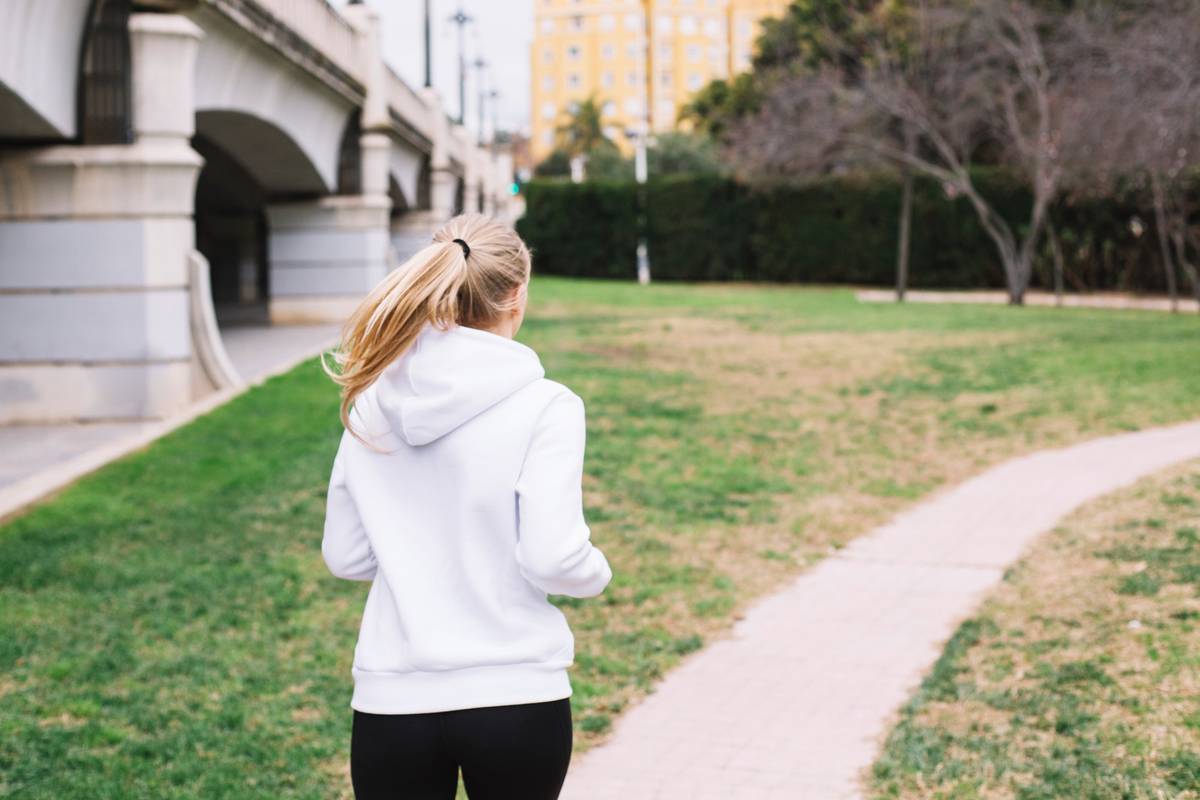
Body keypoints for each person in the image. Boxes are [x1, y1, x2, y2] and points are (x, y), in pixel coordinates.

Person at [321, 214, 612, 800]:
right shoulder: (546, 405)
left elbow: (346, 556)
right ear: (517, 294)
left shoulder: (371, 400)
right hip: (515, 697)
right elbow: (554, 558)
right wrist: (598, 572)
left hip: (391, 702)